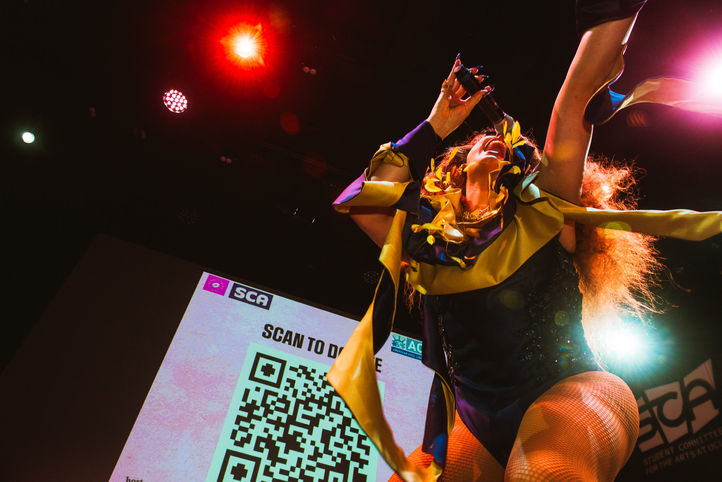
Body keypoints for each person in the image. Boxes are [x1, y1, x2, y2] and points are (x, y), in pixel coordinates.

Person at [327, 1, 722, 480]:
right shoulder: (428, 251)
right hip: (473, 424)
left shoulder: (546, 214)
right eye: (478, 143)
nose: (499, 143)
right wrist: (436, 126)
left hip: (573, 392)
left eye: (514, 153)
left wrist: (613, 13)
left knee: (540, 475)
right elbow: (360, 201)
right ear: (452, 172)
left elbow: (576, 97)